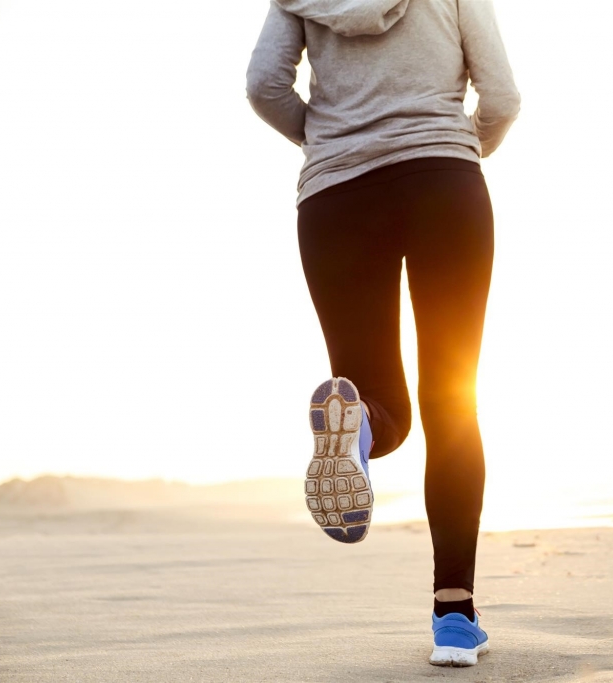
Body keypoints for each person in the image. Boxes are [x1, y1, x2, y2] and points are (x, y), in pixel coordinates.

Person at [245, 0, 520, 667]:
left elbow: (264, 84)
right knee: (452, 402)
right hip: (443, 187)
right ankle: (454, 617)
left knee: (378, 396)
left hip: (336, 198)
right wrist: (456, 144)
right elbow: (503, 96)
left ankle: (360, 419)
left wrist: (331, 140)